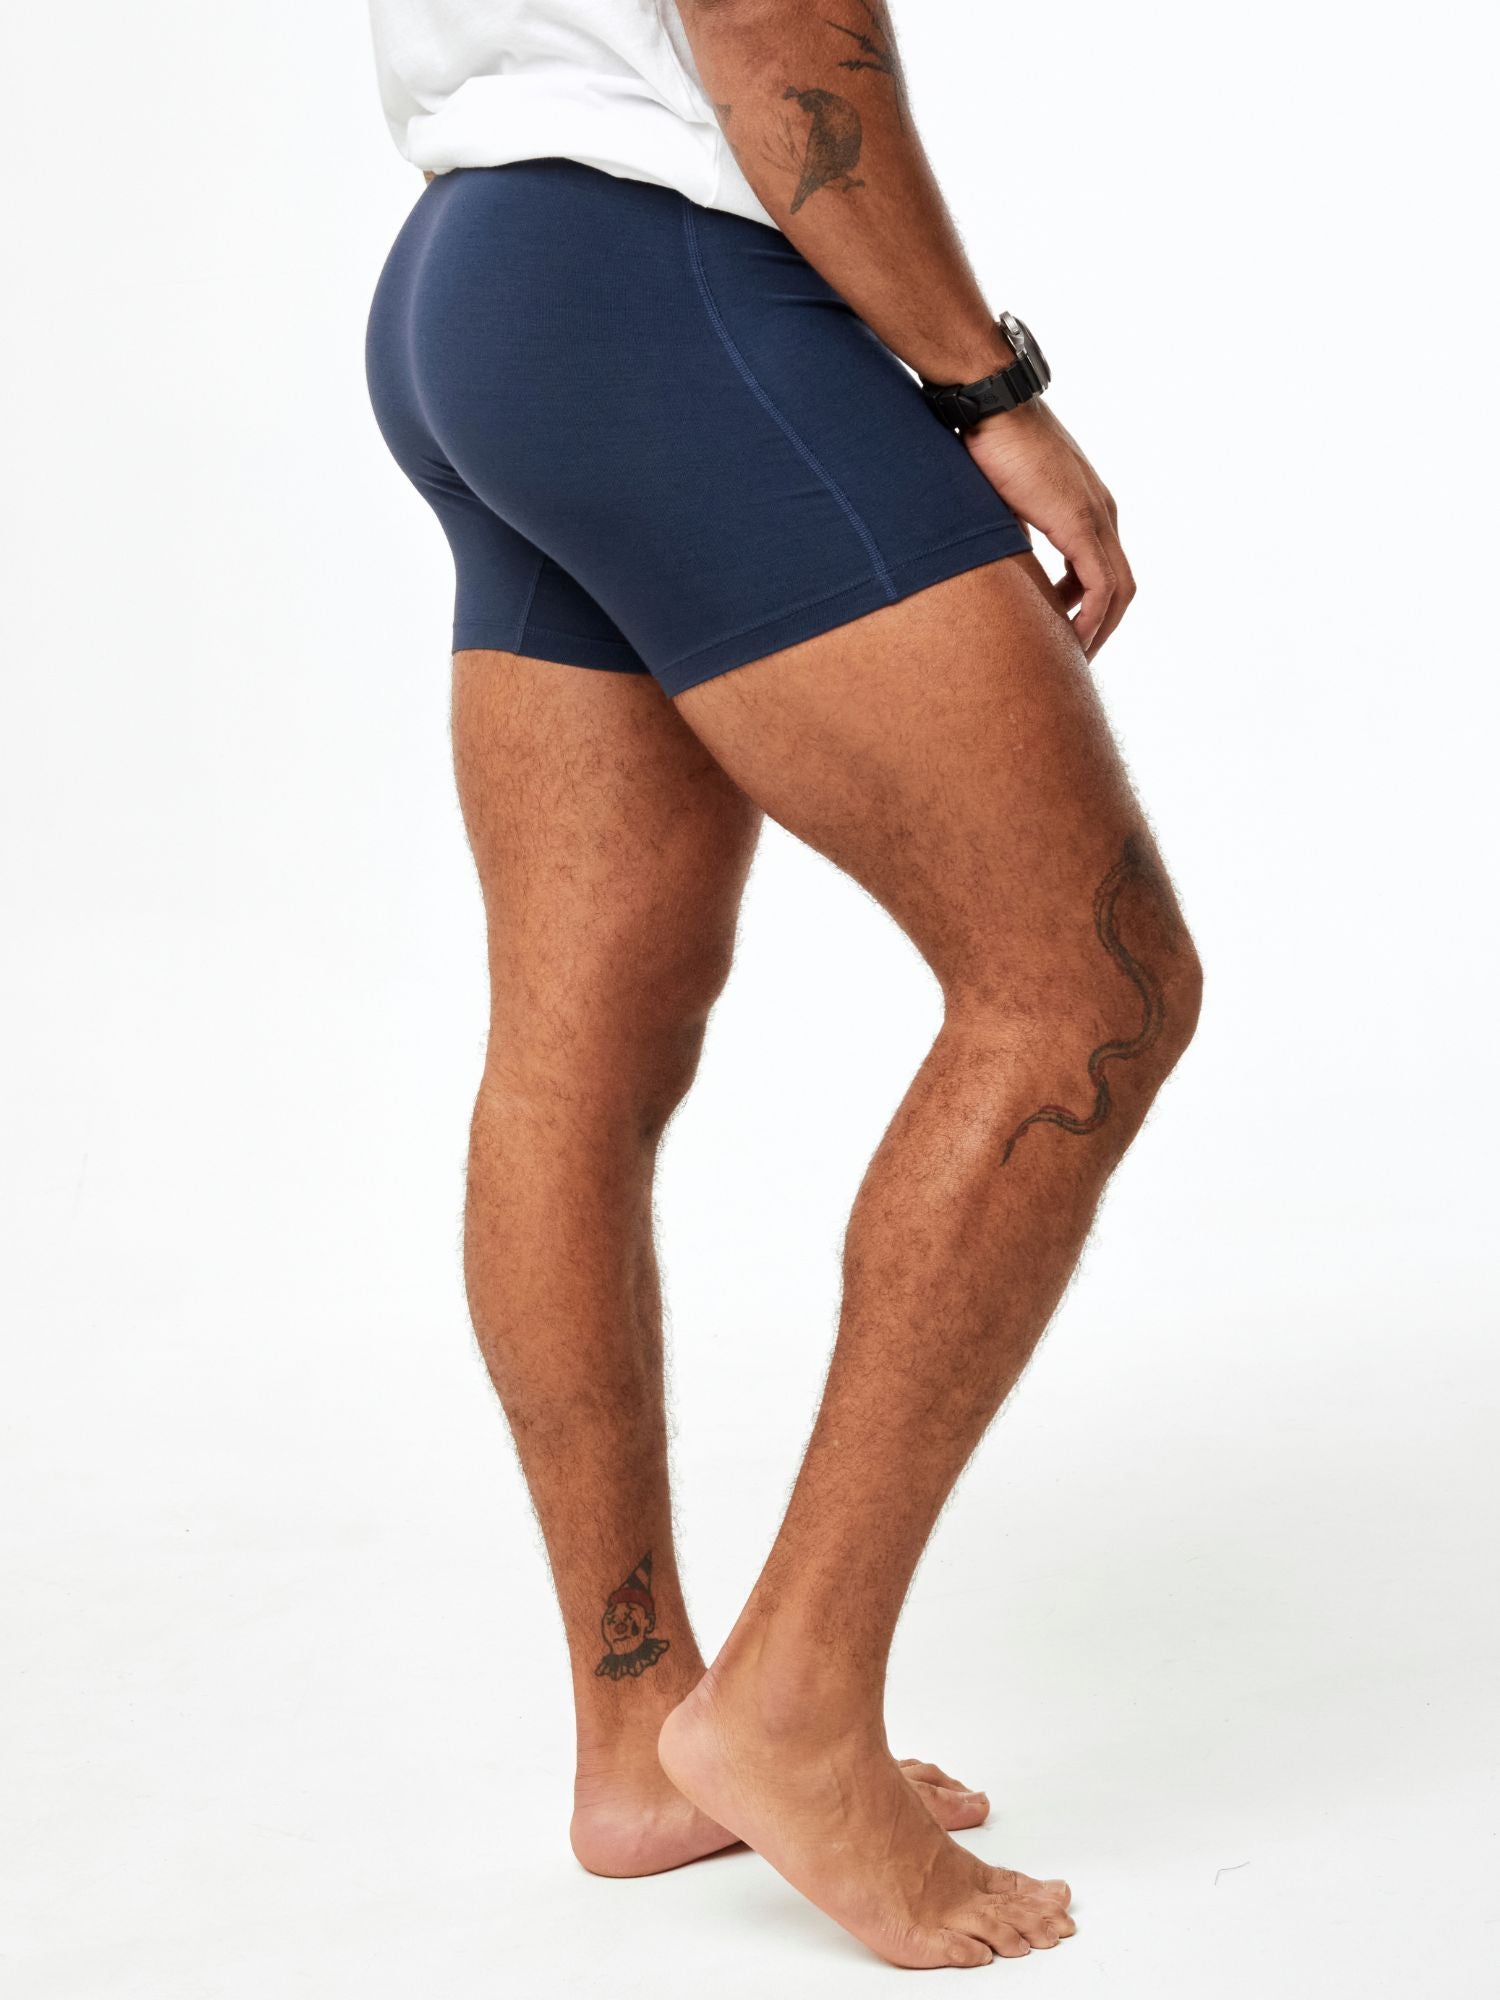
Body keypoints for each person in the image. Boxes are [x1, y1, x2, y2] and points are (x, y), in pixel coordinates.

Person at [362, 0, 1201, 1971]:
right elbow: (768, 26)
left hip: (480, 282)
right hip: (659, 285)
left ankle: (640, 1739)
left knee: (577, 1045)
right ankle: (794, 1704)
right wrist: (989, 386)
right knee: (1084, 984)